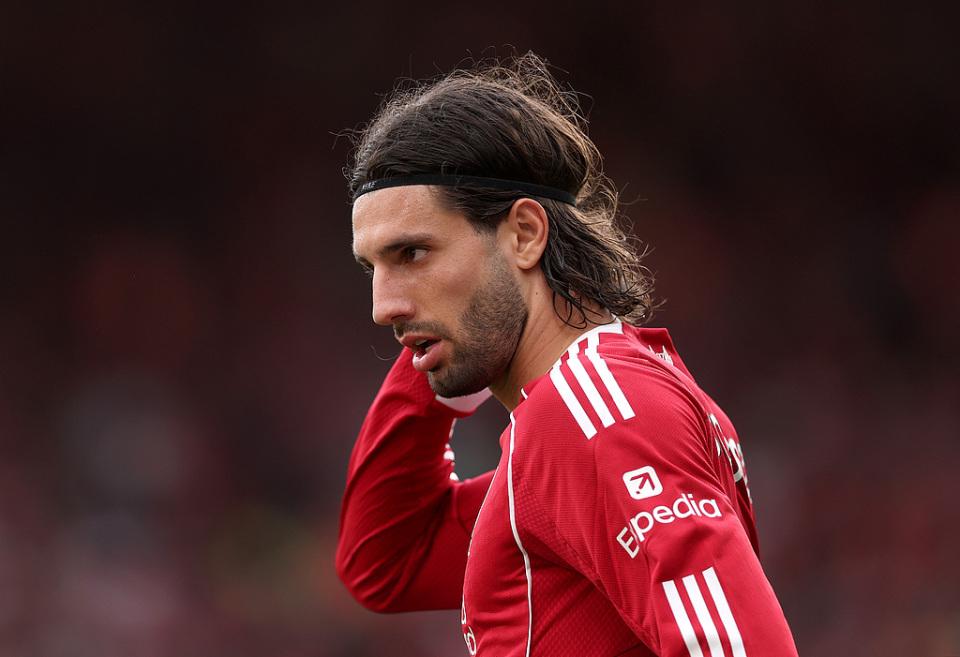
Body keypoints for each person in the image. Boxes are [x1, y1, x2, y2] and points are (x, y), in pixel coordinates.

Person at [336, 53, 798, 657]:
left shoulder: (597, 412)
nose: (382, 307)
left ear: (525, 235)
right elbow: (389, 559)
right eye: (372, 268)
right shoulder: (577, 414)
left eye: (413, 254)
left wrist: (451, 326)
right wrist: (443, 338)